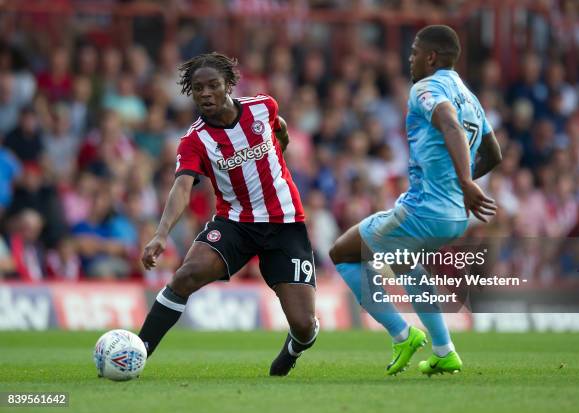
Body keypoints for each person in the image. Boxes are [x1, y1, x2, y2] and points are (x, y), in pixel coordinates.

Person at [329, 25, 502, 376]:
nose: (409, 61)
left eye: (413, 53)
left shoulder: (426, 87)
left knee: (343, 253)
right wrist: (461, 187)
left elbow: (449, 125)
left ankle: (402, 334)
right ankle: (444, 350)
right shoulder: (469, 96)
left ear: (430, 57)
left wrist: (465, 182)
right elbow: (494, 153)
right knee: (406, 263)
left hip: (424, 209)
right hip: (454, 215)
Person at [138, 52, 318, 376]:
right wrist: (161, 234)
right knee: (185, 276)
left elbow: (280, 127)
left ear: (229, 85)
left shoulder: (263, 106)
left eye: (213, 86)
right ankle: (137, 353)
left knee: (305, 327)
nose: (205, 93)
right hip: (235, 223)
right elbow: (181, 188)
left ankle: (293, 348)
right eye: (197, 88)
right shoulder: (194, 140)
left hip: (285, 223)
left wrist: (283, 144)